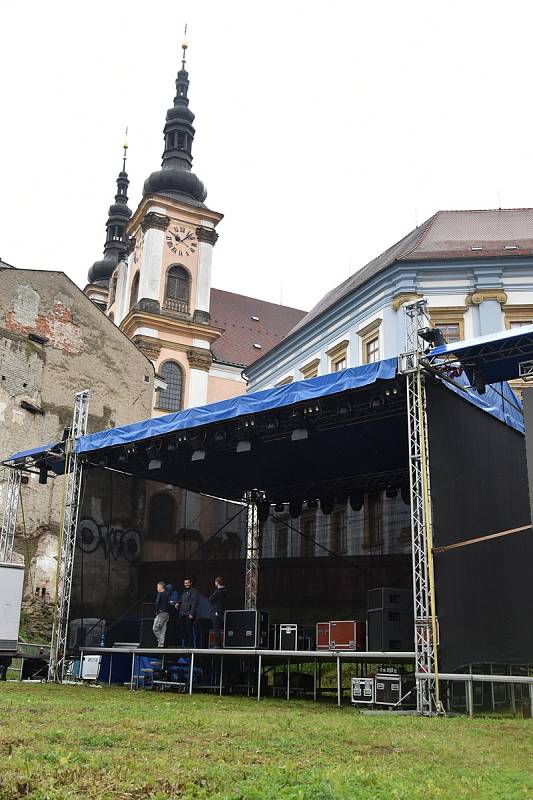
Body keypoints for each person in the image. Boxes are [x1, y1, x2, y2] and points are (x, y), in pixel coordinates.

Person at [176, 577, 198, 647]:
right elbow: (181, 599)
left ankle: (190, 646)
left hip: (189, 614)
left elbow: (195, 602)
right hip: (182, 613)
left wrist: (191, 613)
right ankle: (185, 646)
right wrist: (178, 603)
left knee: (189, 630)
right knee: (183, 630)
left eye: (187, 583)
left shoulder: (194, 591)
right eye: (185, 583)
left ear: (190, 583)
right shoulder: (183, 591)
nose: (186, 584)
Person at [209, 577, 228, 647]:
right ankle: (219, 644)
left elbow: (210, 599)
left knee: (216, 627)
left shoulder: (219, 591)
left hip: (217, 610)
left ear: (217, 582)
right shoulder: (225, 590)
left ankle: (218, 644)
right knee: (218, 627)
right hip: (222, 610)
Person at [152, 581, 170, 648]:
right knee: (163, 630)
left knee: (155, 628)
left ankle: (161, 641)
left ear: (161, 587)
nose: (157, 588)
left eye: (157, 587)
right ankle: (161, 645)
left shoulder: (160, 593)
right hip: (167, 614)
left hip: (161, 613)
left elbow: (157, 602)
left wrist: (157, 611)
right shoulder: (167, 594)